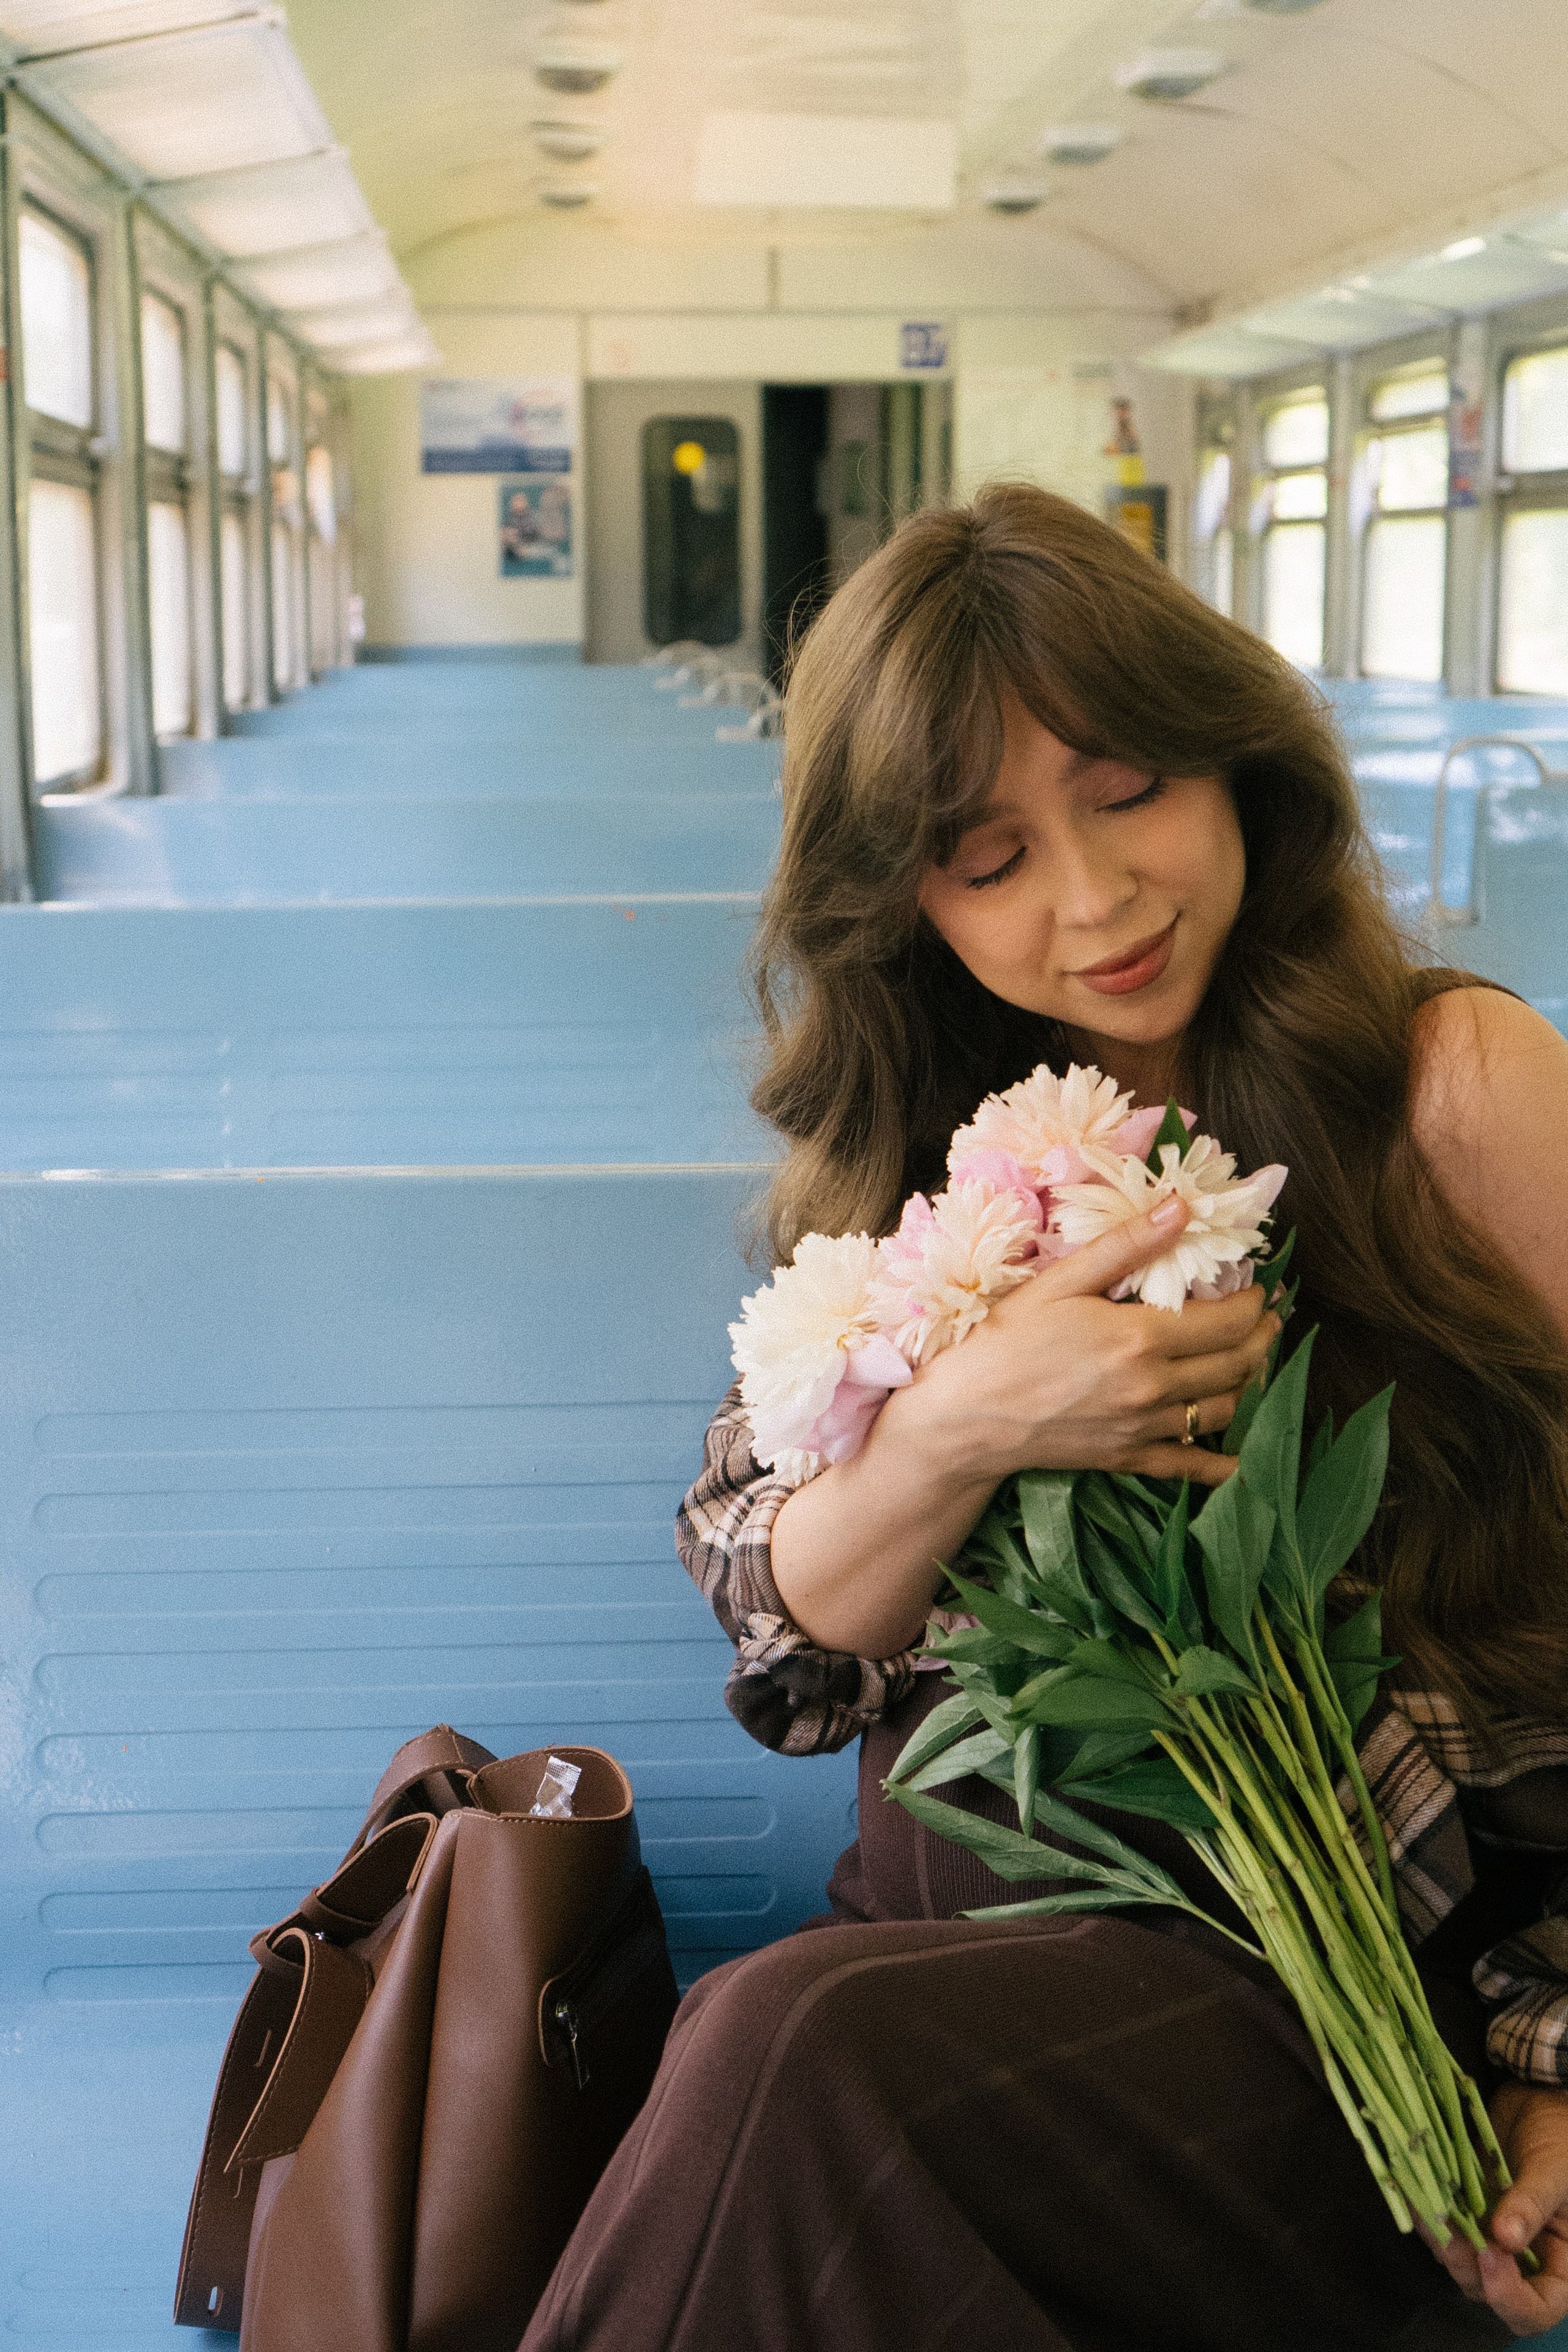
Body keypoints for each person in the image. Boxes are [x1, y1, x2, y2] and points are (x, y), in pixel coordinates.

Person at [520, 484, 1568, 2351]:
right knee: (797, 2066)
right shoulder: (920, 1162)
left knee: (790, 2058)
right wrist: (947, 1431)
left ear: (1237, 761)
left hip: (1340, 2006)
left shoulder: (1448, 1091)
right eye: (988, 856)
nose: (1095, 901)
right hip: (958, 1968)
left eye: (1129, 789)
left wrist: (1563, 2044)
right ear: (903, 897)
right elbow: (785, 1636)